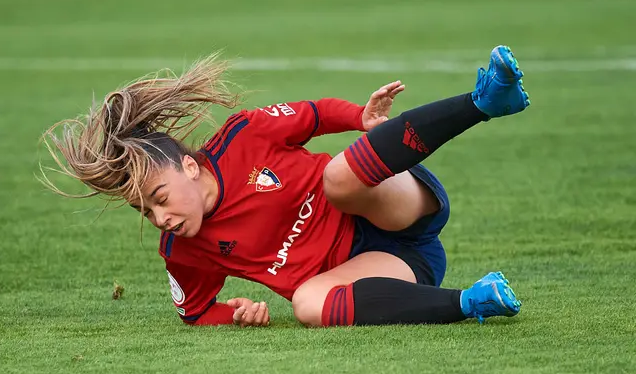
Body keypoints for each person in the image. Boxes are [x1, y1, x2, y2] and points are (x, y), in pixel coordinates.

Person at [42, 45, 530, 328]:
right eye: (146, 212)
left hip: (397, 206)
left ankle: (485, 101)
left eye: (160, 199)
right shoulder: (182, 251)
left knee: (336, 179)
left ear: (189, 167)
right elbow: (196, 313)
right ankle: (471, 301)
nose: (160, 218)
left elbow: (314, 115)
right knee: (307, 304)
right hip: (397, 268)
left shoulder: (243, 135)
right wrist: (235, 314)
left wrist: (359, 118)